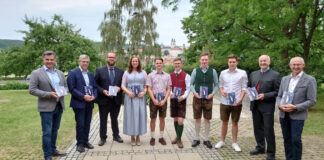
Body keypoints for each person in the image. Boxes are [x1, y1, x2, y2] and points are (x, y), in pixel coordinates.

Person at [29, 51, 67, 160]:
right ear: (43, 60)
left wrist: (64, 91)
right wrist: (49, 94)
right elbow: (32, 90)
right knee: (47, 132)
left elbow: (65, 86)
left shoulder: (60, 73)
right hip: (46, 108)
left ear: (55, 60)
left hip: (59, 105)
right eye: (47, 59)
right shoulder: (36, 73)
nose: (49, 61)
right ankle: (47, 155)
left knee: (55, 130)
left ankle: (53, 150)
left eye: (51, 59)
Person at [277, 57, 316, 160]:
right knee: (287, 139)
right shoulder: (284, 79)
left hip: (298, 115)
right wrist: (280, 105)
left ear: (303, 65)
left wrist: (296, 107)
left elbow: (312, 101)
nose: (295, 66)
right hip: (283, 114)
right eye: (293, 64)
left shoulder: (310, 80)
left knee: (295, 140)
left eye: (298, 64)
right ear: (290, 66)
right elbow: (279, 96)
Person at [248, 55, 281, 159]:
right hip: (255, 105)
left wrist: (265, 95)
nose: (262, 62)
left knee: (268, 130)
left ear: (269, 62)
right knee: (257, 128)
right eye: (261, 61)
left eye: (265, 61)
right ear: (259, 62)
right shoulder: (253, 74)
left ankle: (271, 153)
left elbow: (278, 91)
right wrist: (249, 90)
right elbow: (249, 86)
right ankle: (260, 147)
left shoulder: (275, 75)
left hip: (267, 106)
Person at [214, 54, 248, 152]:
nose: (232, 63)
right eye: (230, 62)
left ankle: (234, 143)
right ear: (228, 62)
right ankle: (222, 141)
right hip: (225, 102)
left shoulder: (242, 73)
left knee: (234, 123)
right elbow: (220, 85)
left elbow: (244, 88)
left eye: (233, 62)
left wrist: (240, 99)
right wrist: (221, 91)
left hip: (236, 102)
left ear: (236, 62)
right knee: (224, 122)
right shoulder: (223, 73)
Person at [67, 55, 97, 153]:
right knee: (80, 123)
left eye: (87, 62)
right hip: (79, 103)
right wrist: (83, 96)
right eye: (83, 61)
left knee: (87, 123)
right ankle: (79, 144)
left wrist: (94, 96)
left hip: (90, 103)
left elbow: (94, 87)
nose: (85, 63)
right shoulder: (73, 73)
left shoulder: (90, 74)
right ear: (79, 62)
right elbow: (72, 89)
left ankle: (85, 141)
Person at [95, 52, 124, 146]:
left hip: (116, 100)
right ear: (106, 58)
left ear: (115, 59)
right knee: (103, 119)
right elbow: (95, 84)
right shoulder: (99, 70)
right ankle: (102, 138)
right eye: (110, 57)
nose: (111, 59)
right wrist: (102, 91)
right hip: (104, 99)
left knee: (115, 119)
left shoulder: (121, 71)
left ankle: (116, 136)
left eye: (113, 57)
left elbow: (123, 84)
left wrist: (120, 88)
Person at [190, 52, 219, 149]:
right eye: (203, 60)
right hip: (197, 98)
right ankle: (196, 138)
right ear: (200, 60)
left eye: (206, 60)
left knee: (207, 118)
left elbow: (217, 84)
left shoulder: (213, 71)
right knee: (197, 118)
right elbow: (191, 84)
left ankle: (206, 139)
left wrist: (212, 94)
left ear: (208, 60)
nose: (204, 61)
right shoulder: (195, 71)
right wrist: (194, 93)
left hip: (208, 98)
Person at [121, 56, 147, 146]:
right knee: (130, 116)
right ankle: (132, 136)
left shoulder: (143, 72)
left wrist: (144, 92)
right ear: (131, 62)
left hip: (140, 97)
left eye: (136, 61)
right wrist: (128, 92)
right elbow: (123, 85)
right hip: (130, 97)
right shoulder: (126, 73)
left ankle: (138, 136)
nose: (135, 62)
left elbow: (147, 85)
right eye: (133, 61)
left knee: (140, 115)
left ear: (139, 62)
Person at [146, 57, 172, 146]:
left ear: (163, 64)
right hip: (154, 99)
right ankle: (152, 137)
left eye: (160, 63)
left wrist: (165, 100)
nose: (158, 64)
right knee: (153, 118)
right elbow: (149, 89)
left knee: (162, 118)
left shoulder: (167, 76)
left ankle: (161, 137)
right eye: (157, 63)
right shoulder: (150, 75)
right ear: (155, 64)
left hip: (163, 99)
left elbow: (168, 89)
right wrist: (153, 99)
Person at [170, 57, 191, 148]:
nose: (177, 65)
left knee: (180, 121)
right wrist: (170, 93)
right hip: (173, 99)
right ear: (173, 64)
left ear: (181, 64)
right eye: (175, 63)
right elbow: (169, 87)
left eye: (178, 63)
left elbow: (188, 88)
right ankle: (178, 137)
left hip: (181, 100)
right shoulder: (170, 75)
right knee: (175, 119)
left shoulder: (186, 75)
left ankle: (179, 139)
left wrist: (183, 97)